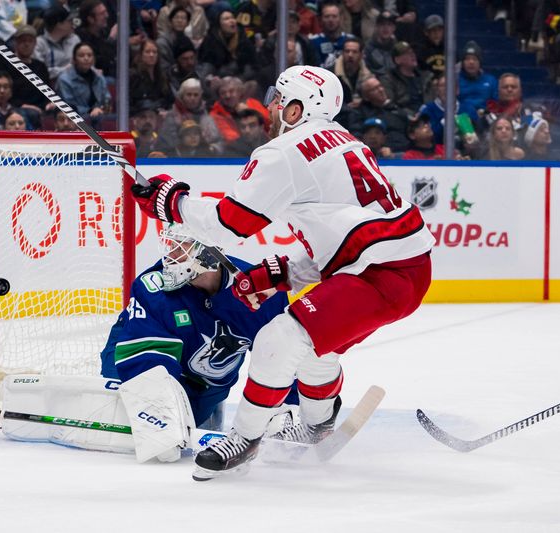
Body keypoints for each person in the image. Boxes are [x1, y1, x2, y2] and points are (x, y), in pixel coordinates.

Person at [130, 65, 434, 480]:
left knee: (280, 336)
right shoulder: (346, 141)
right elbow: (347, 238)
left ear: (298, 108)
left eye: (280, 99)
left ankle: (245, 438)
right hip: (397, 268)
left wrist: (171, 201)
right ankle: (318, 424)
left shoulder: (285, 151)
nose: (273, 107)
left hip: (379, 274)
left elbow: (230, 224)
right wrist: (281, 271)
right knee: (315, 347)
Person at [100, 224, 293, 431]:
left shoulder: (262, 294)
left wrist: (293, 410)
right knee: (121, 408)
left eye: (181, 245)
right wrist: (160, 412)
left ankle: (208, 409)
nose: (171, 253)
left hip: (207, 382)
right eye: (170, 243)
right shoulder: (155, 289)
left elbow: (286, 358)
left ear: (209, 254)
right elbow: (147, 359)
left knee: (200, 406)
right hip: (134, 347)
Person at [158, 77, 223, 152]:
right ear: (182, 96)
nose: (192, 98)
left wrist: (213, 149)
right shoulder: (172, 116)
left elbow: (218, 141)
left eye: (196, 95)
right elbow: (166, 143)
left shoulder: (207, 115)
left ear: (200, 96)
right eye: (189, 95)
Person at [55, 42, 112, 129]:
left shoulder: (99, 78)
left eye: (89, 55)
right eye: (81, 55)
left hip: (99, 114)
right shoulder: (64, 79)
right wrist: (90, 111)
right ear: (74, 60)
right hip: (76, 117)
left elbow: (106, 98)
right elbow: (69, 104)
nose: (86, 58)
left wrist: (104, 107)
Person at [380, 41, 431, 115]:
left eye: (412, 52)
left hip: (427, 116)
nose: (412, 55)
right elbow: (389, 105)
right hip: (404, 119)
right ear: (397, 60)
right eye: (407, 53)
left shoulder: (425, 77)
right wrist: (409, 115)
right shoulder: (388, 80)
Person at [35, 6, 81, 84]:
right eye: (69, 21)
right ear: (59, 24)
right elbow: (40, 73)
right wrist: (66, 69)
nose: (73, 24)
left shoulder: (75, 39)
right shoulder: (39, 44)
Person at [129, 39, 173, 112]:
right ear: (141, 54)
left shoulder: (162, 76)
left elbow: (170, 100)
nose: (151, 55)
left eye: (154, 52)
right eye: (147, 52)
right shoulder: (133, 75)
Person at [457, 40, 497, 114]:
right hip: (461, 119)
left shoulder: (491, 80)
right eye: (467, 59)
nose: (471, 62)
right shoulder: (455, 80)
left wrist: (485, 111)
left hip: (485, 118)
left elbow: (495, 103)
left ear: (480, 62)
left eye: (475, 59)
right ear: (462, 62)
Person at [309, 1, 351, 69]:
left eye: (334, 16)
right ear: (320, 19)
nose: (331, 20)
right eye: (327, 16)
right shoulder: (312, 42)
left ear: (341, 18)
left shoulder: (350, 40)